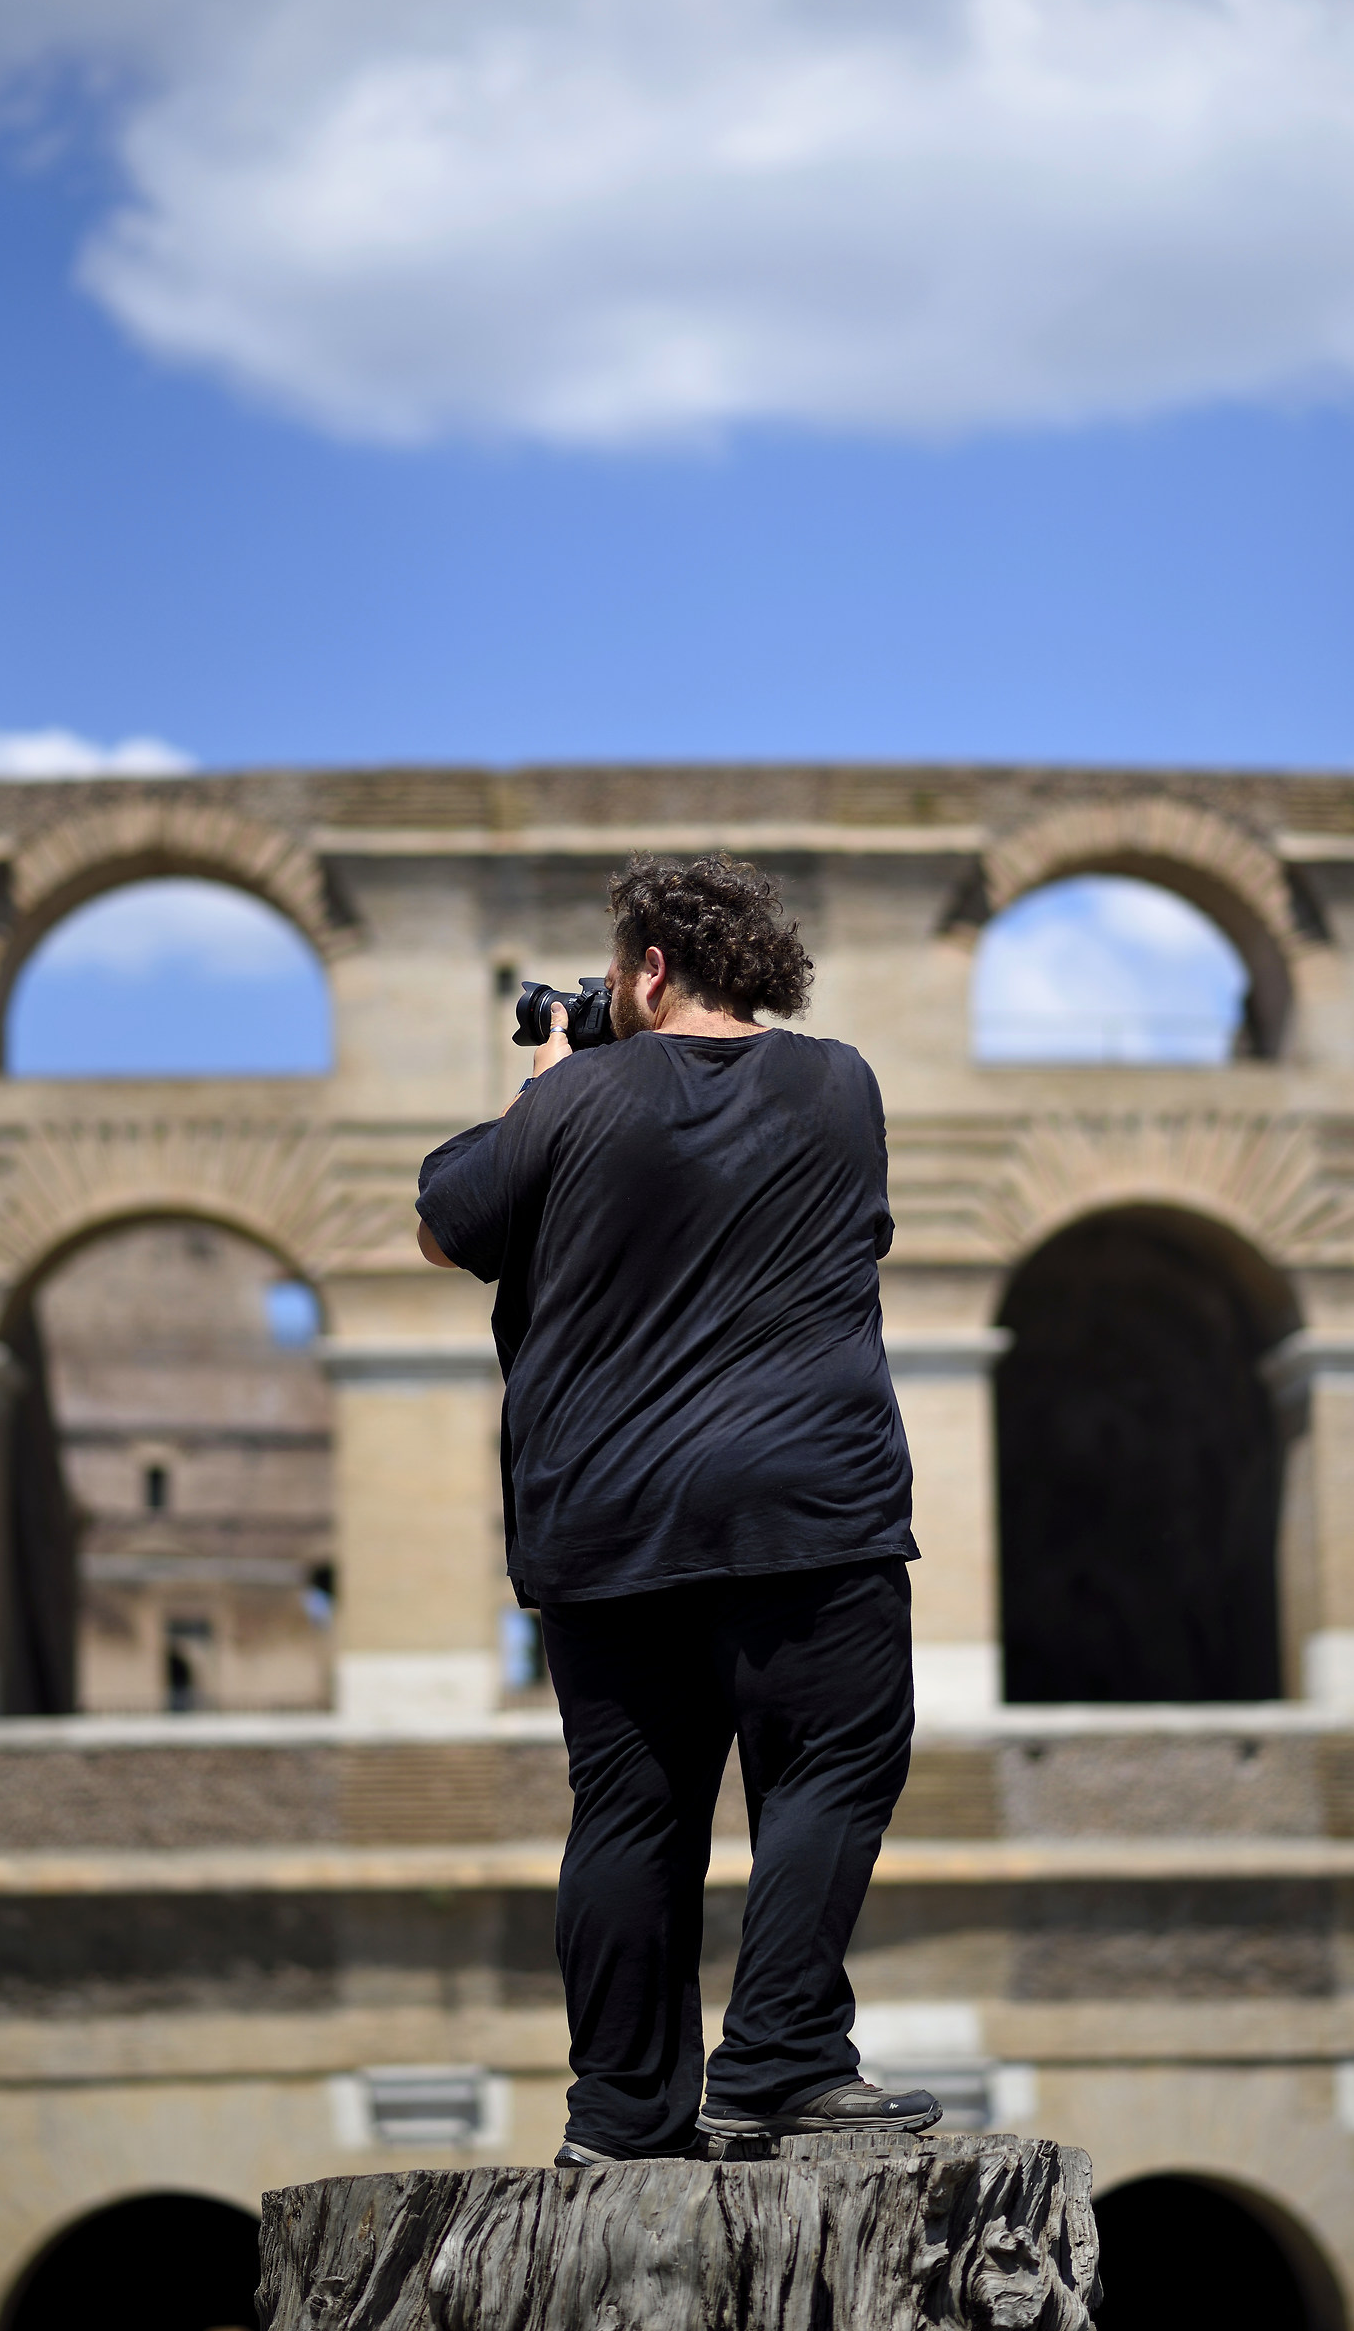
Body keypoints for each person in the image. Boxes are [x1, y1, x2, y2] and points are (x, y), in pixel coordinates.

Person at [415, 853, 935, 2164]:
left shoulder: (573, 1096)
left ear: (644, 968)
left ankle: (621, 2118)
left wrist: (545, 1070)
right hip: (809, 1501)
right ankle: (777, 2065)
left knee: (631, 1810)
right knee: (826, 1770)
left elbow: (444, 1224)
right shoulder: (842, 1084)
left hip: (604, 1516)